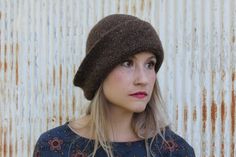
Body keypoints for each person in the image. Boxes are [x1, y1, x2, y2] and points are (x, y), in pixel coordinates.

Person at [33, 14, 195, 157]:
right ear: (98, 73)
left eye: (150, 64)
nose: (143, 79)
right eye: (127, 63)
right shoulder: (54, 147)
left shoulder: (175, 151)